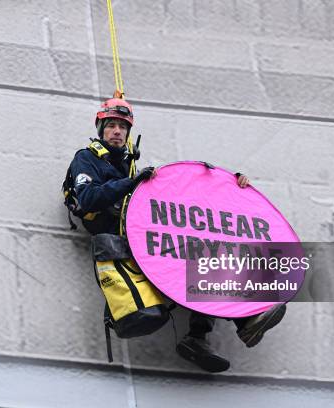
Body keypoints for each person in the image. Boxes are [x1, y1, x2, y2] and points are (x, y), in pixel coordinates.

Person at [69, 97, 286, 373]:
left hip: (142, 237)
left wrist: (230, 186)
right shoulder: (87, 159)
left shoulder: (130, 165)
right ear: (101, 129)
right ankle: (236, 325)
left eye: (123, 127)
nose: (117, 132)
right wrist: (131, 182)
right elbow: (87, 199)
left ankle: (223, 329)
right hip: (126, 245)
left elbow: (179, 198)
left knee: (204, 257)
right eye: (111, 125)